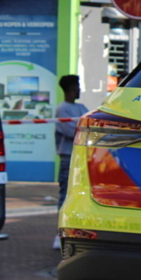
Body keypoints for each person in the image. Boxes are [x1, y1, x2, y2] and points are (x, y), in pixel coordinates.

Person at [54, 75, 88, 249]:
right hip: (68, 157)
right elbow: (71, 132)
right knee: (65, 196)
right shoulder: (62, 109)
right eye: (77, 86)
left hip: (83, 158)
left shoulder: (81, 107)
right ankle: (60, 234)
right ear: (72, 88)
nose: (79, 89)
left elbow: (90, 125)